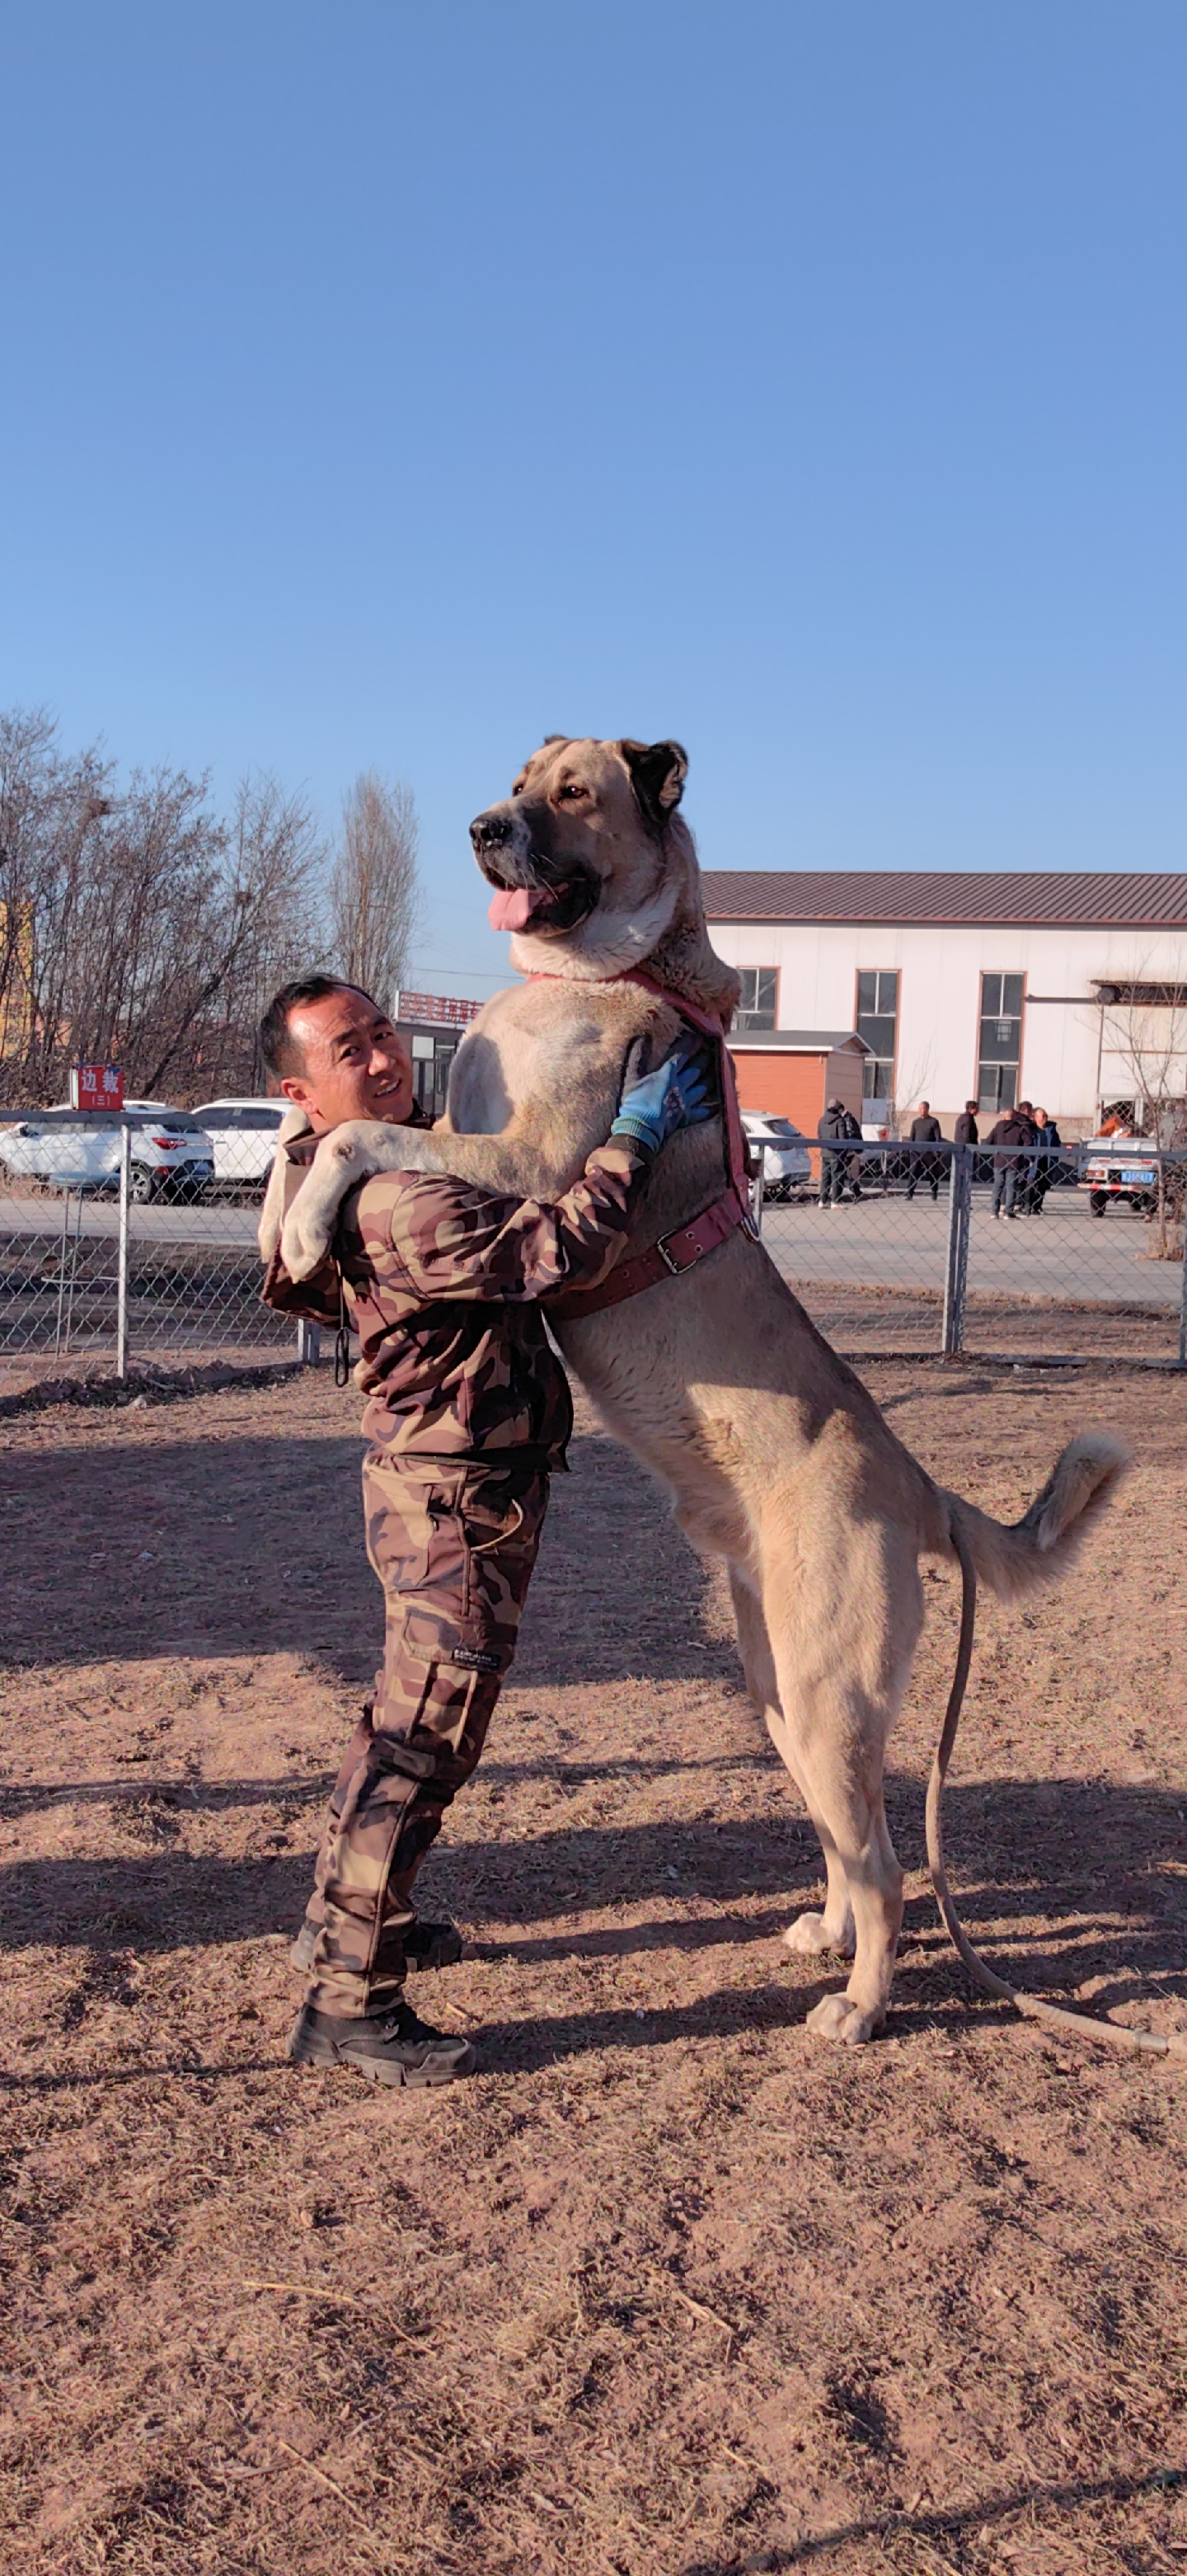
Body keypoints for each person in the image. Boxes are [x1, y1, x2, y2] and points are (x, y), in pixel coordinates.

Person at [259, 974, 715, 2088]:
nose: (379, 1060)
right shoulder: (399, 1199)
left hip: (451, 1487)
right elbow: (552, 1256)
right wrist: (635, 1138)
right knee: (423, 1740)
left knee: (404, 1726)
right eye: (347, 1052)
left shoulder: (365, 1165)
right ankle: (348, 2004)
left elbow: (292, 1270)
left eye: (380, 1036)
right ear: (301, 1089)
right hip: (458, 1500)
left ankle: (353, 1924)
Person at [988, 1102, 1033, 1218]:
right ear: (1014, 1117)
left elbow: (988, 1141)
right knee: (1011, 1187)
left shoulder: (998, 1127)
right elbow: (1028, 1142)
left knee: (997, 1186)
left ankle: (994, 1212)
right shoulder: (1019, 1128)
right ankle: (1008, 1212)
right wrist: (1023, 1153)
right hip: (1013, 1161)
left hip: (999, 1160)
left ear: (1003, 1117)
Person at [816, 1097, 863, 1206]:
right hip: (836, 1154)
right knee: (836, 1177)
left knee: (825, 1177)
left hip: (825, 1152)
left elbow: (819, 1136)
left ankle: (822, 1201)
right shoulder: (839, 1120)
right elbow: (843, 1138)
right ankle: (835, 1202)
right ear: (837, 1108)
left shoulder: (821, 1120)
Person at [1025, 1106, 1063, 1215]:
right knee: (1031, 1184)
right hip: (1034, 1161)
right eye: (1043, 1116)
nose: (1045, 1117)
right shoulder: (1031, 1130)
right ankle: (1027, 1206)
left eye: (1046, 1115)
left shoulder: (1051, 1130)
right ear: (1036, 1117)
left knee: (1043, 1185)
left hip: (1047, 1161)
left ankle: (1037, 1207)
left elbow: (1057, 1144)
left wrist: (1055, 1157)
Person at [905, 1101, 943, 1201]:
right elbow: (912, 1137)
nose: (922, 1110)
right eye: (920, 1108)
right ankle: (910, 1194)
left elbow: (937, 1137)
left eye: (924, 1108)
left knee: (932, 1173)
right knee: (913, 1173)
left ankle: (934, 1193)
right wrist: (911, 1149)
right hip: (916, 1152)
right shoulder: (916, 1122)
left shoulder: (934, 1122)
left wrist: (936, 1151)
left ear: (927, 1109)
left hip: (929, 1152)